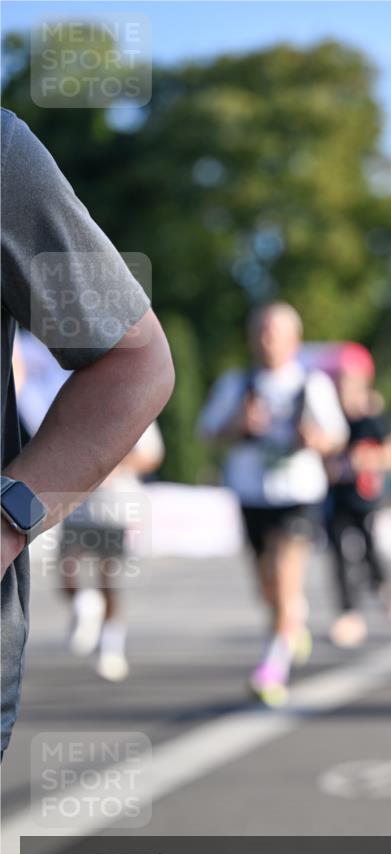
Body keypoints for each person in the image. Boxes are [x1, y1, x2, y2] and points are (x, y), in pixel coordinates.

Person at [1, 109, 174, 757]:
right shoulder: (38, 375)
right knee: (76, 571)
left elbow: (134, 370)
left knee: (107, 574)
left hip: (108, 492)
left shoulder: (4, 154)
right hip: (72, 502)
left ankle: (110, 636)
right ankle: (88, 617)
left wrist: (9, 517)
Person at [199, 302, 347, 706]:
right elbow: (208, 432)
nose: (267, 339)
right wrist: (239, 426)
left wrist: (314, 438)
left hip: (298, 495)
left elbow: (336, 436)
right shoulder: (236, 383)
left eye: (275, 331)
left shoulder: (312, 383)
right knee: (267, 584)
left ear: (293, 339)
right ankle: (290, 626)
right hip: (251, 494)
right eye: (261, 331)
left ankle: (272, 667)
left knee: (284, 575)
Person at [60, 422, 165, 681]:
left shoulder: (135, 405)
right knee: (66, 566)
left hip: (114, 504)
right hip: (78, 503)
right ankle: (85, 603)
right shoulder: (70, 404)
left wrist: (113, 464)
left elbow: (151, 456)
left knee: (109, 579)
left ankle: (111, 646)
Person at [326, 344, 391, 648]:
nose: (343, 386)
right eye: (339, 380)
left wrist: (368, 459)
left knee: (369, 546)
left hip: (365, 495)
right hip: (334, 494)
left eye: (349, 380)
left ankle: (386, 588)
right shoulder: (328, 414)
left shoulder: (372, 417)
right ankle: (349, 613)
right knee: (337, 550)